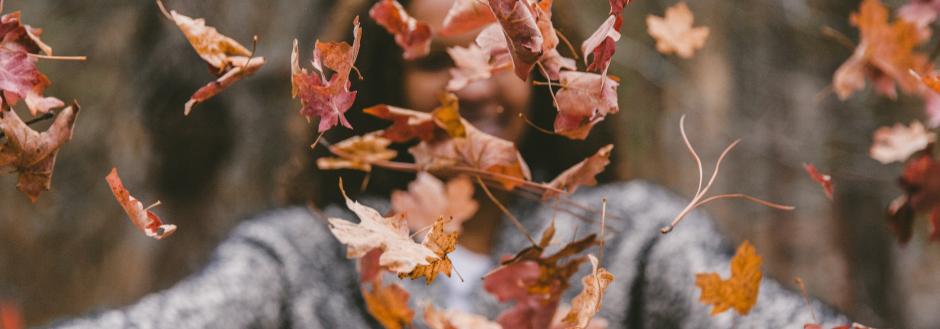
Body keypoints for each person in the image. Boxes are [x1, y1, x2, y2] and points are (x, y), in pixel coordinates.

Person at [45, 0, 849, 328]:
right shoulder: (306, 256)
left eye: (497, 52)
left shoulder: (629, 235)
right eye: (440, 61)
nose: (474, 82)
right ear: (389, 84)